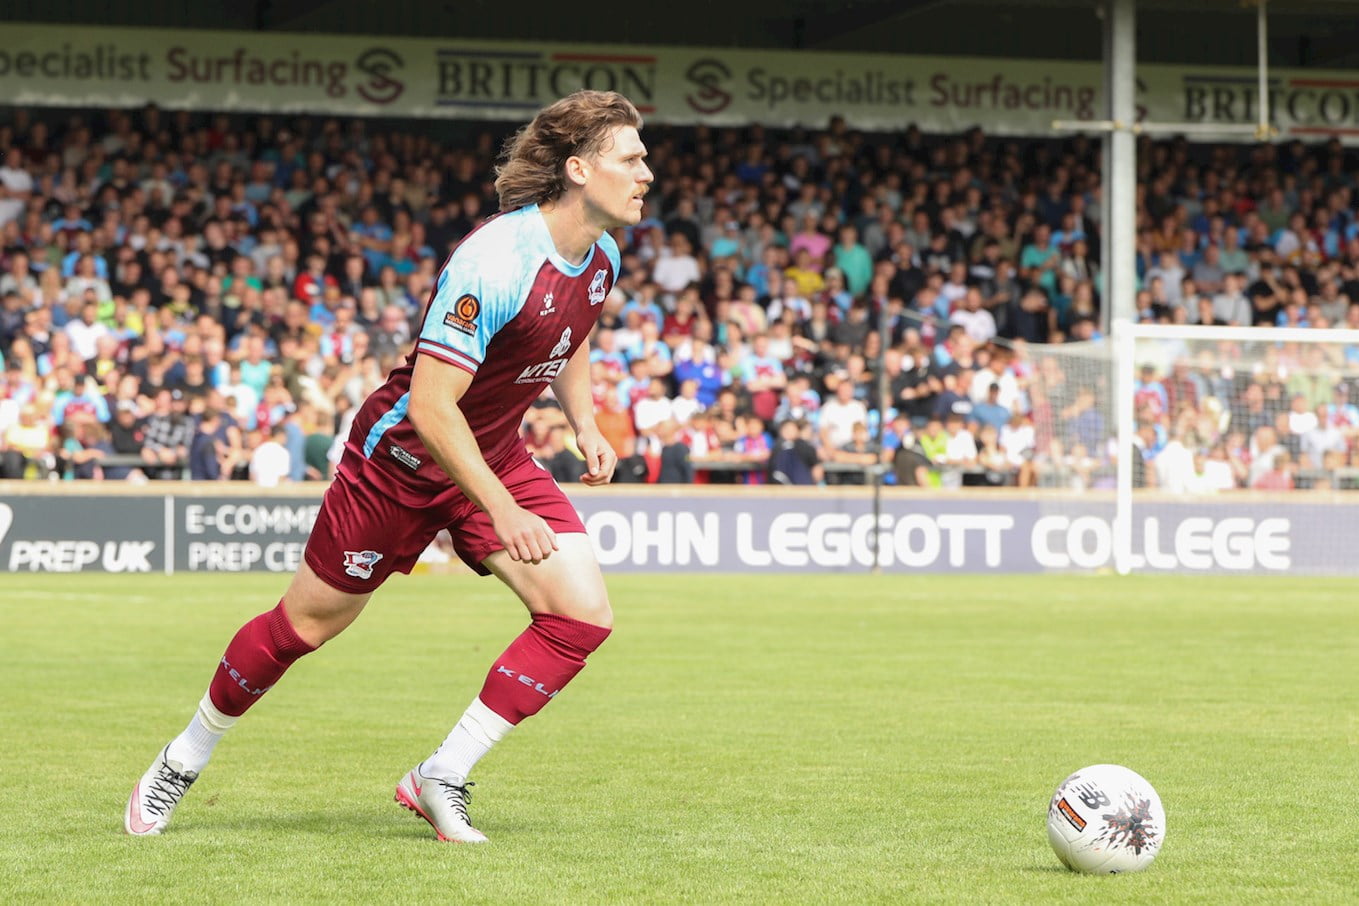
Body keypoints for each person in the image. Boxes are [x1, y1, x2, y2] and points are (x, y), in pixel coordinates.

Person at [125, 91, 653, 844]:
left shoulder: (601, 254)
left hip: (491, 453)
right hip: (400, 461)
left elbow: (570, 334)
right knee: (304, 627)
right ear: (577, 169)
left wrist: (584, 421)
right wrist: (503, 508)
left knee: (581, 616)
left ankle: (441, 775)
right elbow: (431, 409)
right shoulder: (494, 260)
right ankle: (183, 757)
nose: (646, 174)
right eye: (631, 159)